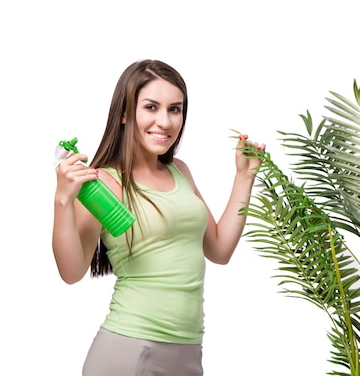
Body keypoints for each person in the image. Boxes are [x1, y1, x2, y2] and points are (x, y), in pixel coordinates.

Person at [52, 59, 264, 376]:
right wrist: (62, 201)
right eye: (151, 107)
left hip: (189, 353)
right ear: (125, 113)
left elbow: (219, 250)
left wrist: (245, 178)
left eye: (174, 109)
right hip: (130, 350)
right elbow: (71, 272)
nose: (164, 121)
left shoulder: (180, 171)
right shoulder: (104, 184)